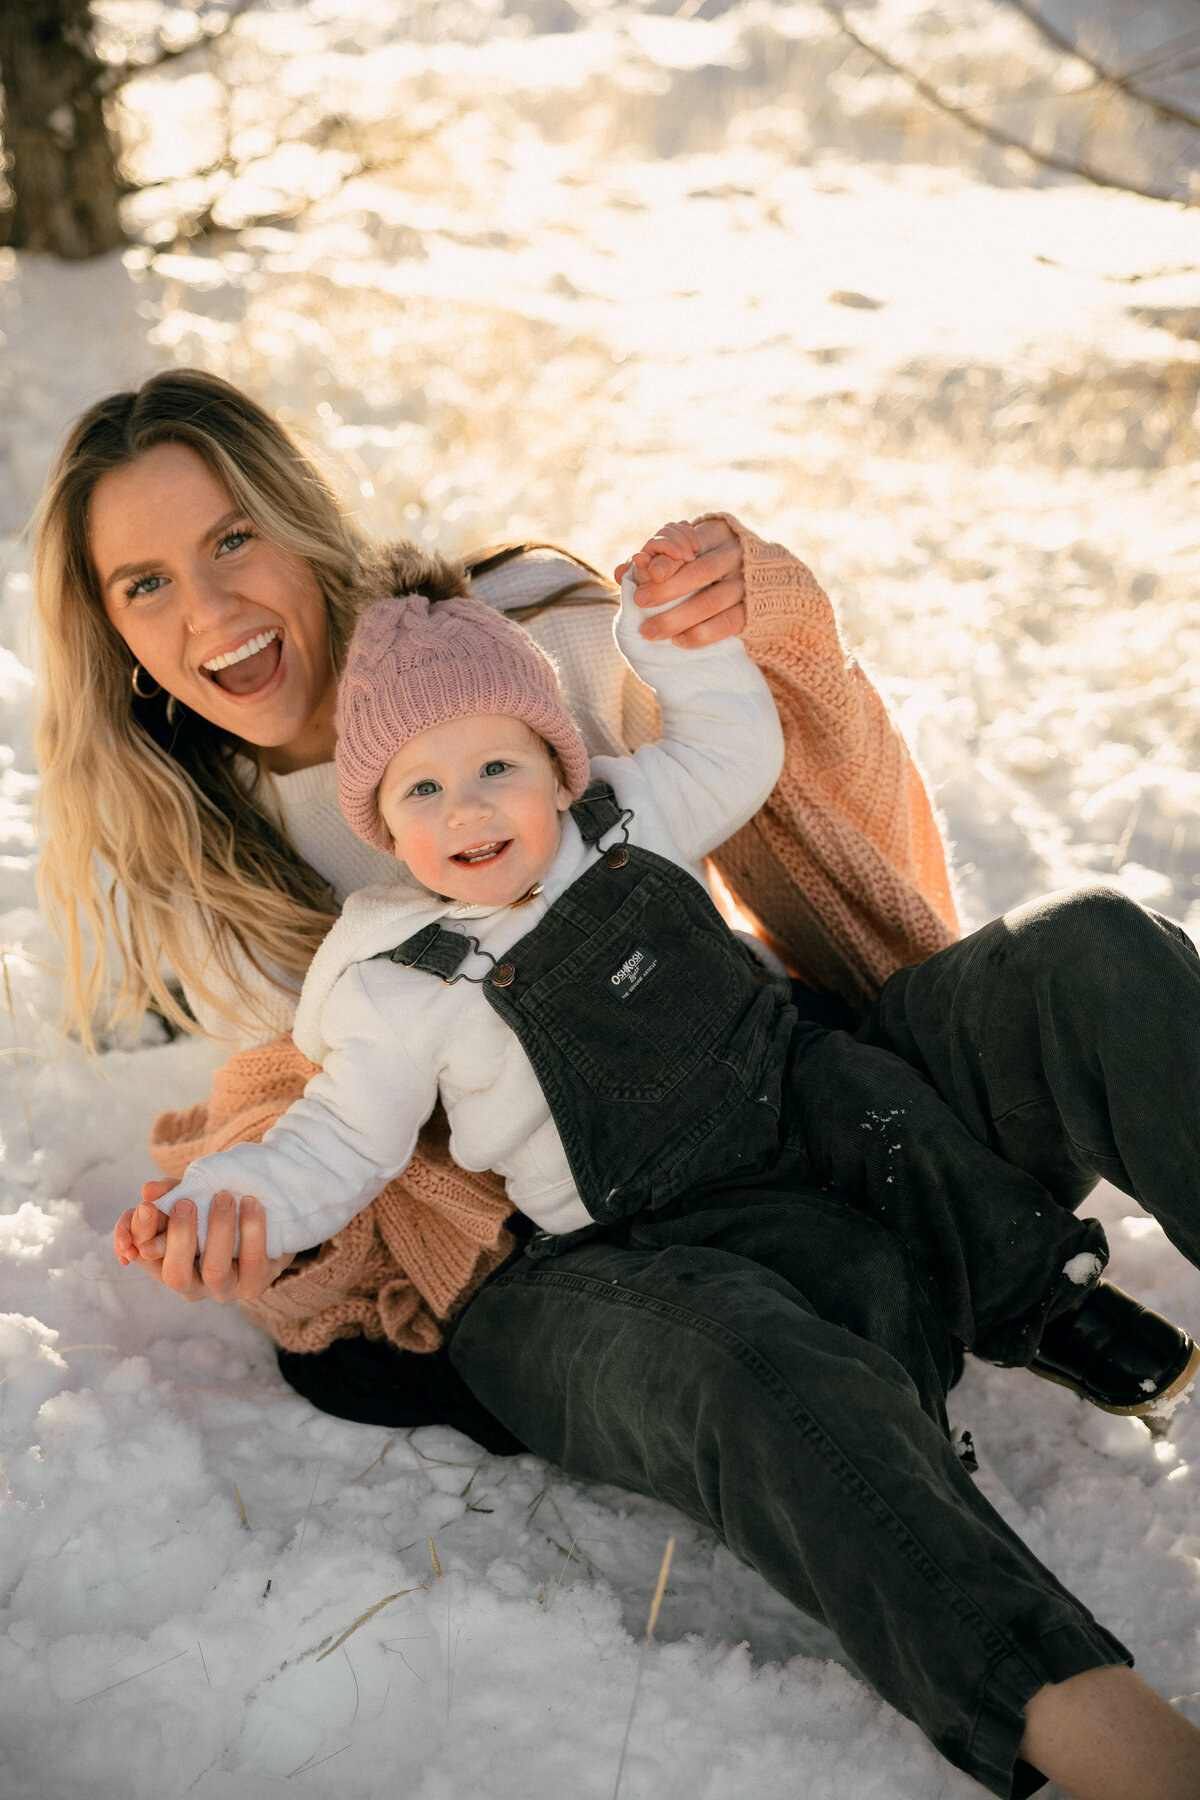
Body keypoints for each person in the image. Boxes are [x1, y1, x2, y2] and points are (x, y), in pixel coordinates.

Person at [33, 369, 1200, 1800]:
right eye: (142, 583)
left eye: (228, 542)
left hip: (815, 1097)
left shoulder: (529, 631)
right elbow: (312, 1107)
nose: (204, 612)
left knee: (1099, 951)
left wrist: (759, 614)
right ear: (109, 630)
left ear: (298, 519)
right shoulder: (201, 854)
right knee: (751, 1366)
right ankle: (1129, 1756)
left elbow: (792, 778)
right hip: (598, 1242)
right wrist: (242, 1191)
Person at [119, 544, 1138, 1410]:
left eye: (496, 771)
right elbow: (340, 1137)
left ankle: (1054, 1301)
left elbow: (734, 752)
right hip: (656, 1205)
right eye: (423, 790)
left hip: (783, 1080)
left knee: (896, 1116)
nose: (467, 809)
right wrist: (223, 1196)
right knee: (843, 1273)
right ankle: (904, 1415)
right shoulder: (395, 981)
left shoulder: (623, 816)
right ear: (385, 831)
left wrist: (668, 653)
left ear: (557, 767)